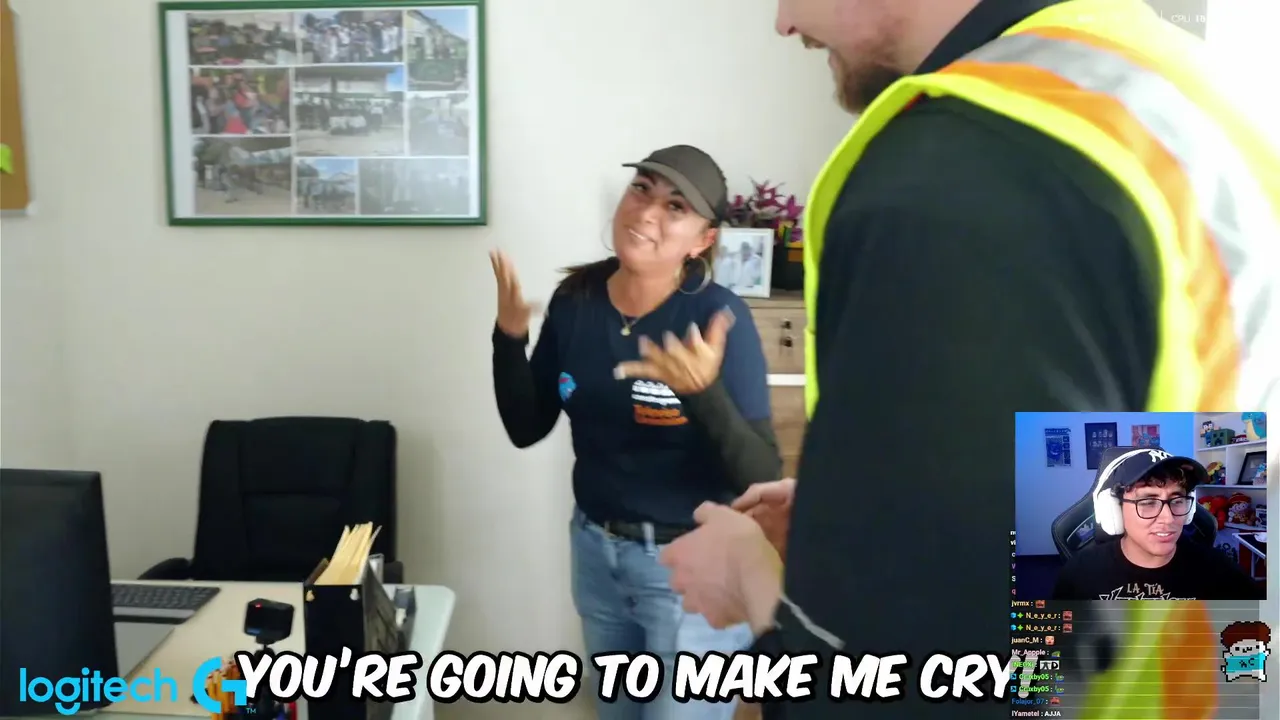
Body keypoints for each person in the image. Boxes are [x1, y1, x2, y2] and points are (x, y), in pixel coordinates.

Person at [657, 0, 1279, 718]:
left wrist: (753, 585)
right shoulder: (1170, 92)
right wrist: (889, 511)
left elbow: (965, 689)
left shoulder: (967, 175)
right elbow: (1178, 465)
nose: (784, 22)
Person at [490, 145, 782, 720]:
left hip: (692, 568)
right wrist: (508, 338)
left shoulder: (718, 318)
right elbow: (526, 427)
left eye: (676, 207)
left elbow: (762, 476)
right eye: (642, 189)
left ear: (702, 239)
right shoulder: (576, 302)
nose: (647, 212)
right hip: (596, 555)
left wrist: (702, 392)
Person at [1052, 447, 1263, 601]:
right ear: (1115, 508)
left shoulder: (1220, 571)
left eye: (1177, 500)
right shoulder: (1080, 573)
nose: (1168, 519)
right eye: (1147, 502)